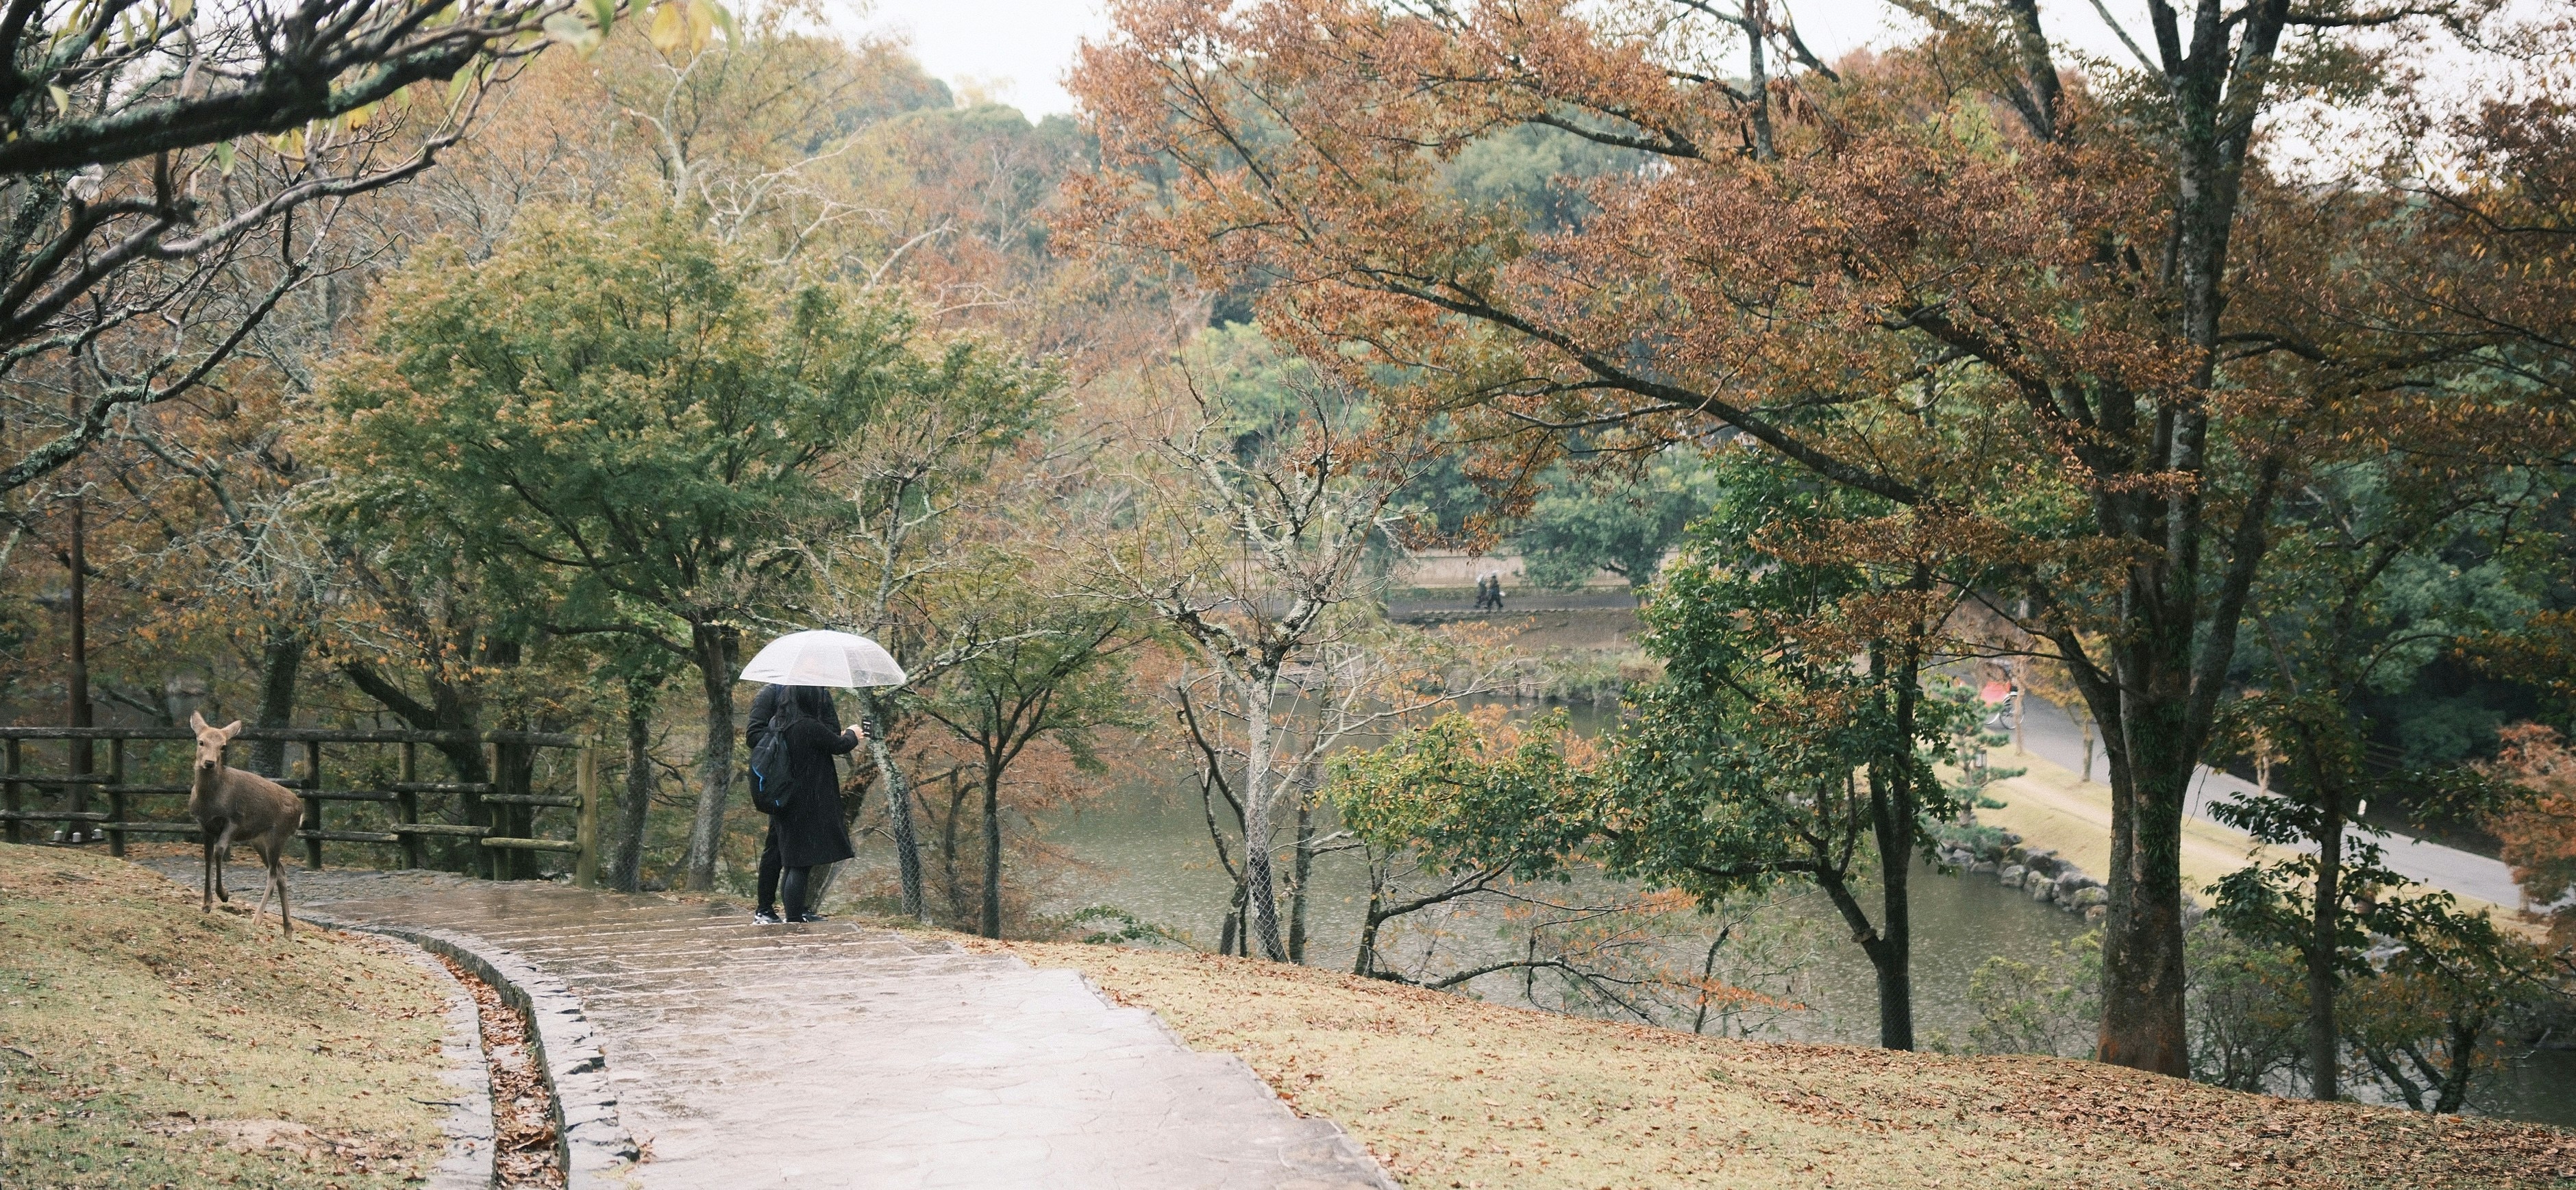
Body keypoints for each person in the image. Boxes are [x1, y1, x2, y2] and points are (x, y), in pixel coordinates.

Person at [744, 684, 864, 924]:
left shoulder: (782, 725)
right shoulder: (804, 723)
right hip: (803, 800)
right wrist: (853, 734)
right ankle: (785, 915)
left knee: (792, 860)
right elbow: (839, 744)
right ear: (810, 700)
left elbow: (828, 733)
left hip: (787, 795)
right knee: (796, 862)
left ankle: (795, 913)